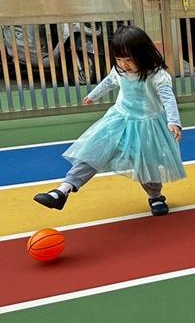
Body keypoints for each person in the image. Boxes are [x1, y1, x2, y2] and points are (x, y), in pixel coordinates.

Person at [33, 25, 185, 215]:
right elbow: (109, 82)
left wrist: (173, 121)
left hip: (146, 125)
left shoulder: (156, 76)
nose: (124, 64)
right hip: (119, 120)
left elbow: (168, 98)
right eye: (119, 59)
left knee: (147, 165)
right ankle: (63, 190)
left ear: (144, 55)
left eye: (129, 59)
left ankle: (155, 196)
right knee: (94, 150)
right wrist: (93, 95)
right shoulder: (119, 71)